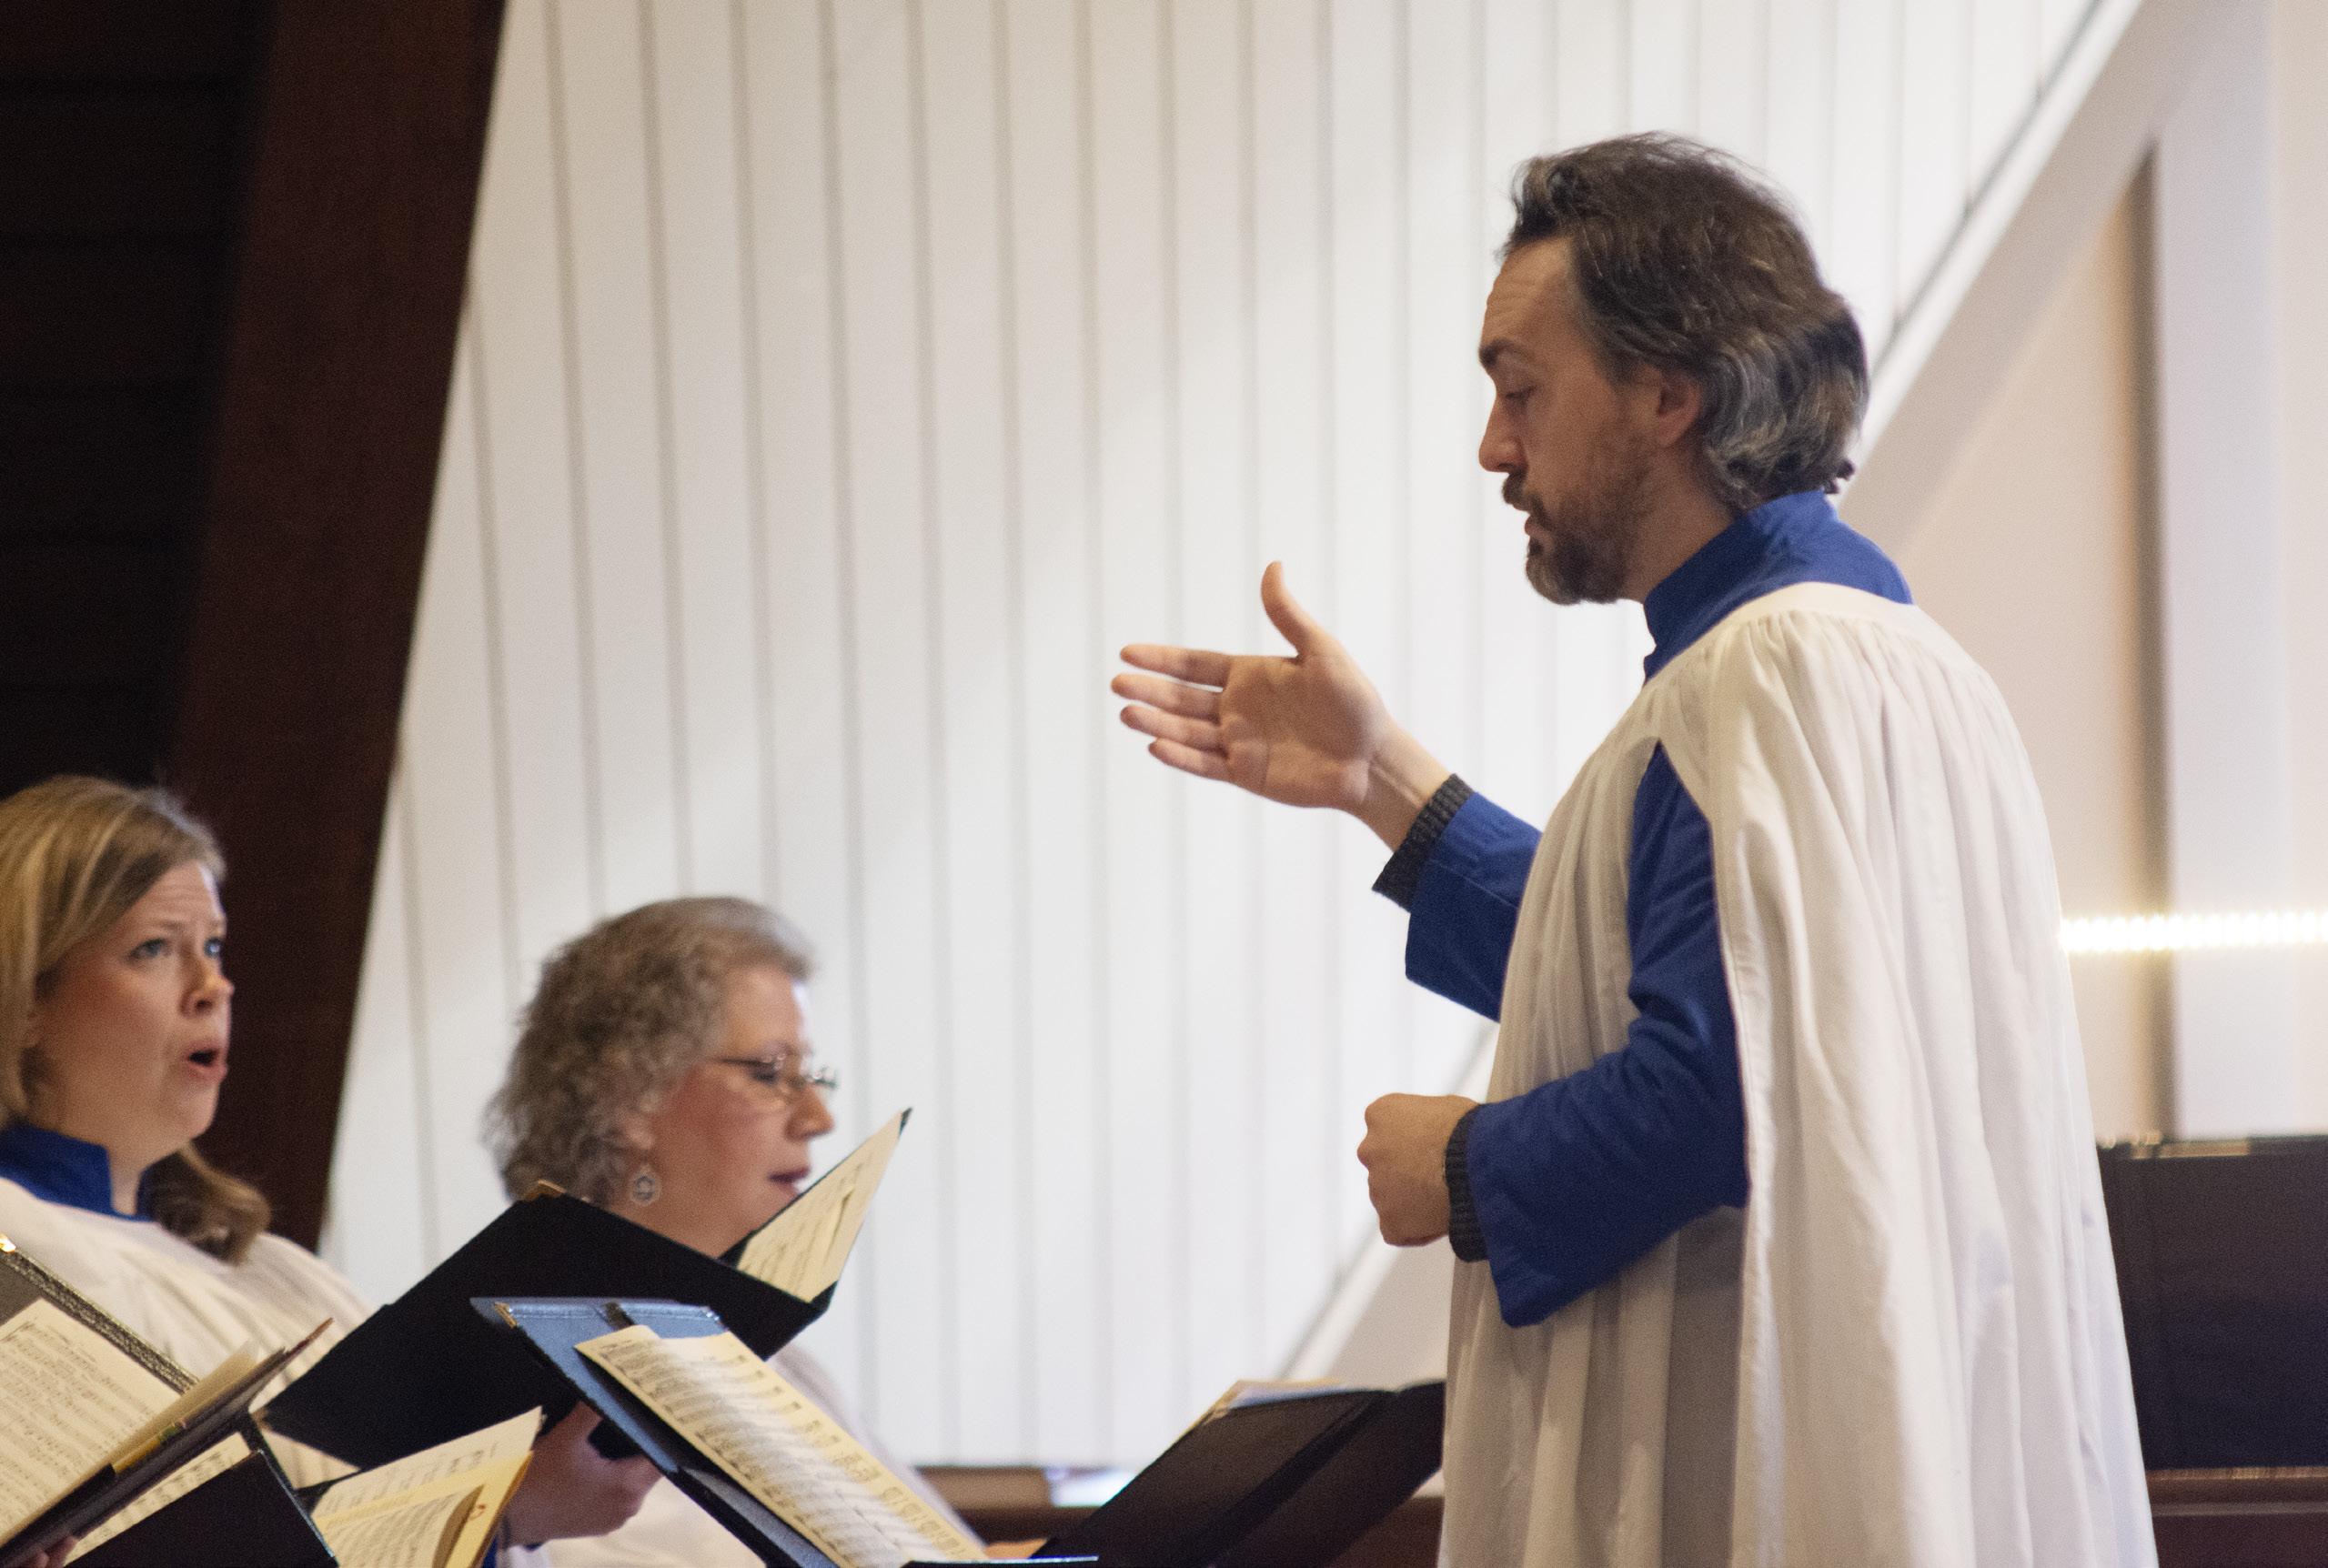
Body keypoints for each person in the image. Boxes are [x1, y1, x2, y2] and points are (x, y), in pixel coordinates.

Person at [1112, 134, 2152, 1566]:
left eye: (1519, 389)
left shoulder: (1762, 675)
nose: (1494, 449)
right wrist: (1379, 782)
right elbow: (1658, 970)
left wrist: (1463, 1164)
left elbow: (1722, 1086)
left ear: (1668, 394)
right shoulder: (1874, 652)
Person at [0, 776, 660, 1561]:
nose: (213, 987)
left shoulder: (277, 1272)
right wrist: (499, 1517)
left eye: (213, 946)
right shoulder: (19, 1248)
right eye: (154, 949)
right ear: (27, 999)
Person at [487, 897, 980, 1568]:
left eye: (812, 1076)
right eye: (771, 1073)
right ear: (631, 1096)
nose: (818, 1118)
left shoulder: (775, 1360)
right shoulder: (532, 1404)